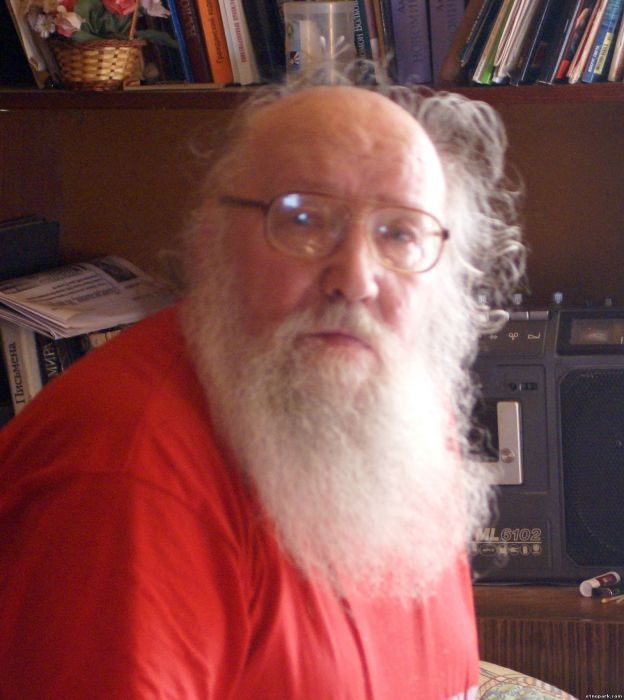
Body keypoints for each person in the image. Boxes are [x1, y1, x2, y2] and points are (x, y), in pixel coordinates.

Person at [0, 73, 525, 699]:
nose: (356, 278)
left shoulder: (395, 399)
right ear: (212, 240)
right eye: (304, 220)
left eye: (400, 233)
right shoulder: (127, 475)